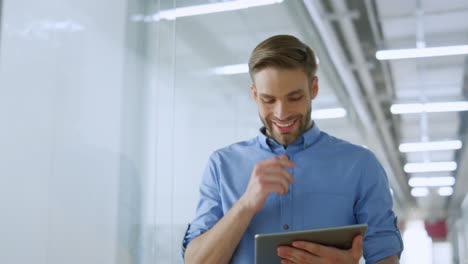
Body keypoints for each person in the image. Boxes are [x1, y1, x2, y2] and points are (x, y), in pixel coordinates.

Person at [182, 35, 403, 264]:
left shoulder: (360, 165)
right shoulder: (221, 165)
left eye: (294, 98)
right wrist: (246, 204)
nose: (282, 113)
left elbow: (386, 256)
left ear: (313, 88)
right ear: (255, 95)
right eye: (268, 100)